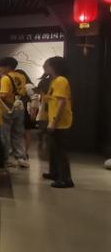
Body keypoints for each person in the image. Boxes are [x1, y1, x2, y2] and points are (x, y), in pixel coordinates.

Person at [42, 56, 73, 188]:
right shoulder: (54, 81)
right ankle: (54, 173)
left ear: (54, 66)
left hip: (60, 121)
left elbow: (61, 103)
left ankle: (66, 179)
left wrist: (54, 121)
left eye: (47, 65)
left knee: (60, 151)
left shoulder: (60, 80)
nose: (45, 67)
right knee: (53, 149)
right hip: (54, 119)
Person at [0, 57, 29, 168]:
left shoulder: (5, 78)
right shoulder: (22, 76)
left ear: (7, 67)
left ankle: (5, 159)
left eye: (0, 67)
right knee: (18, 133)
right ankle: (21, 158)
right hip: (19, 106)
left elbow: (4, 95)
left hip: (7, 107)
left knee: (5, 134)